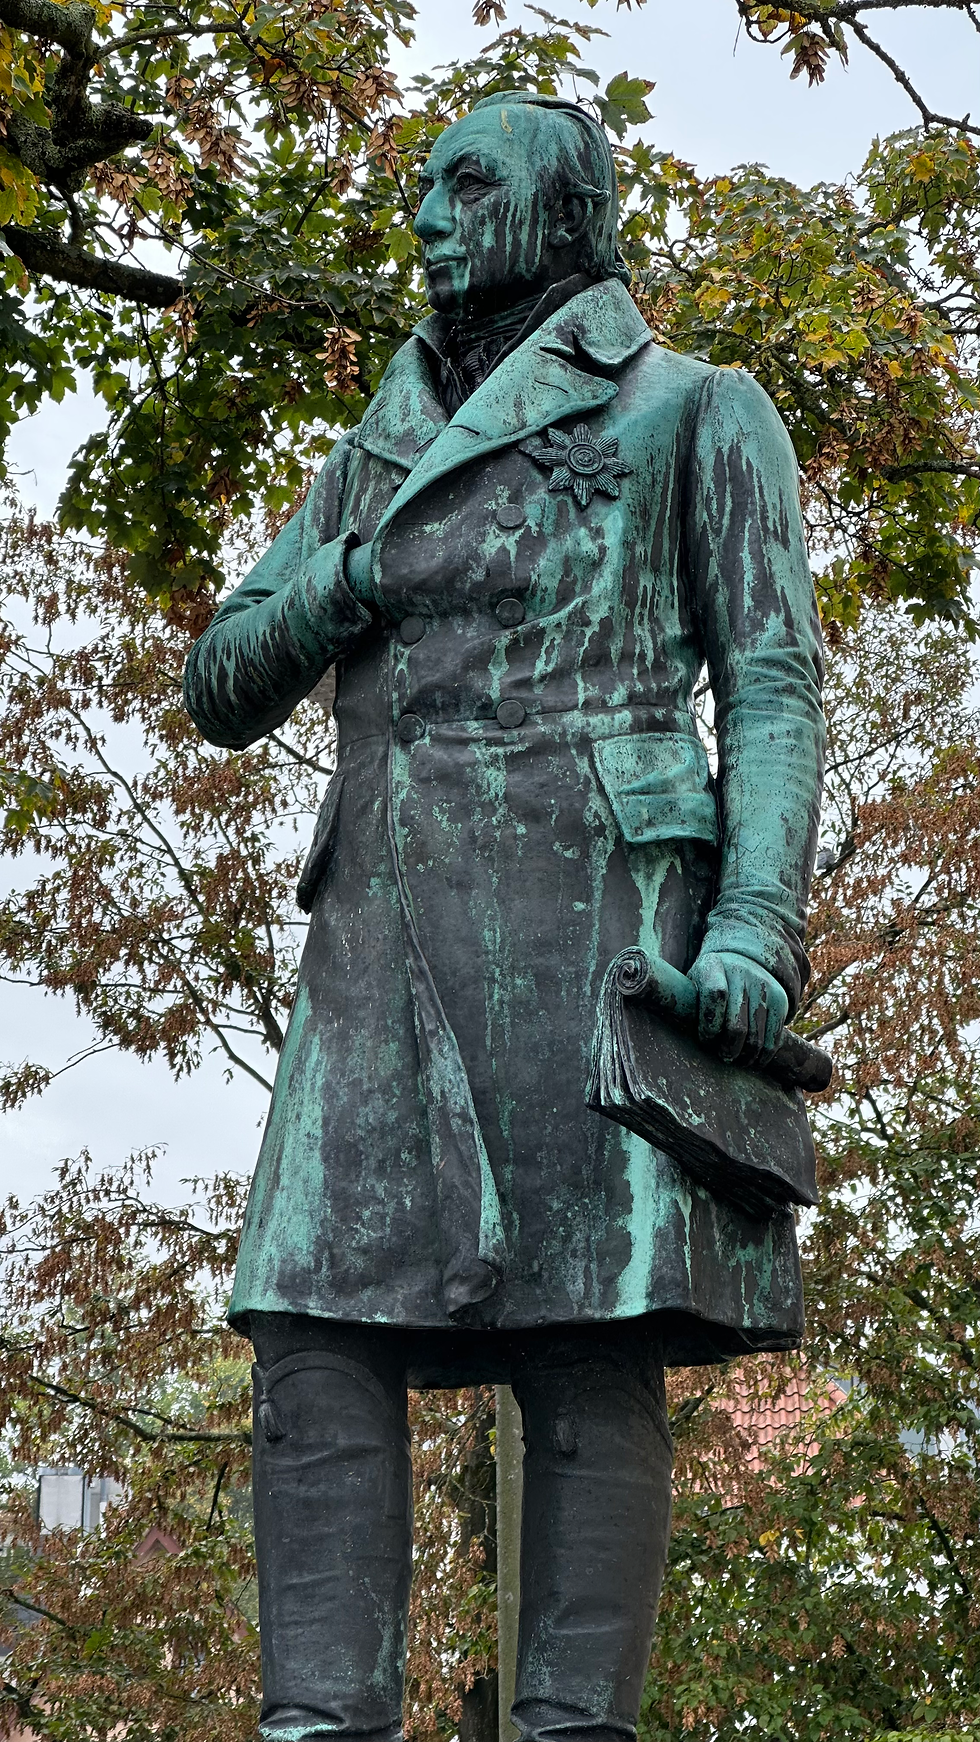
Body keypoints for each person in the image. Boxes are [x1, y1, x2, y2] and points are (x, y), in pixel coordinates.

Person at [184, 91, 825, 1742]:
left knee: (586, 1329)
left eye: (465, 185)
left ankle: (572, 1726)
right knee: (312, 1322)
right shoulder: (374, 447)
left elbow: (766, 685)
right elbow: (220, 678)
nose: (427, 218)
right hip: (384, 921)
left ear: (562, 209)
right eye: (418, 191)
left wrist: (753, 928)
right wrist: (341, 580)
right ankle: (315, 1721)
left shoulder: (696, 409)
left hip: (598, 915)